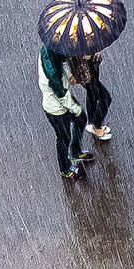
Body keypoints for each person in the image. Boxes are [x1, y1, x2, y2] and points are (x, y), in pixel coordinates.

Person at [39, 46, 94, 178]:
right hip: (55, 107)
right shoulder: (50, 62)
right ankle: (65, 169)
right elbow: (58, 89)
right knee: (63, 138)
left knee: (81, 120)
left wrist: (70, 74)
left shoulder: (56, 49)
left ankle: (75, 151)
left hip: (63, 98)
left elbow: (64, 63)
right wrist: (74, 108)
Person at [68, 52, 113, 140]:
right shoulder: (73, 44)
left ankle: (92, 122)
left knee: (92, 95)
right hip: (85, 71)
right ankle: (96, 126)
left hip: (90, 68)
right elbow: (69, 57)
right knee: (105, 98)